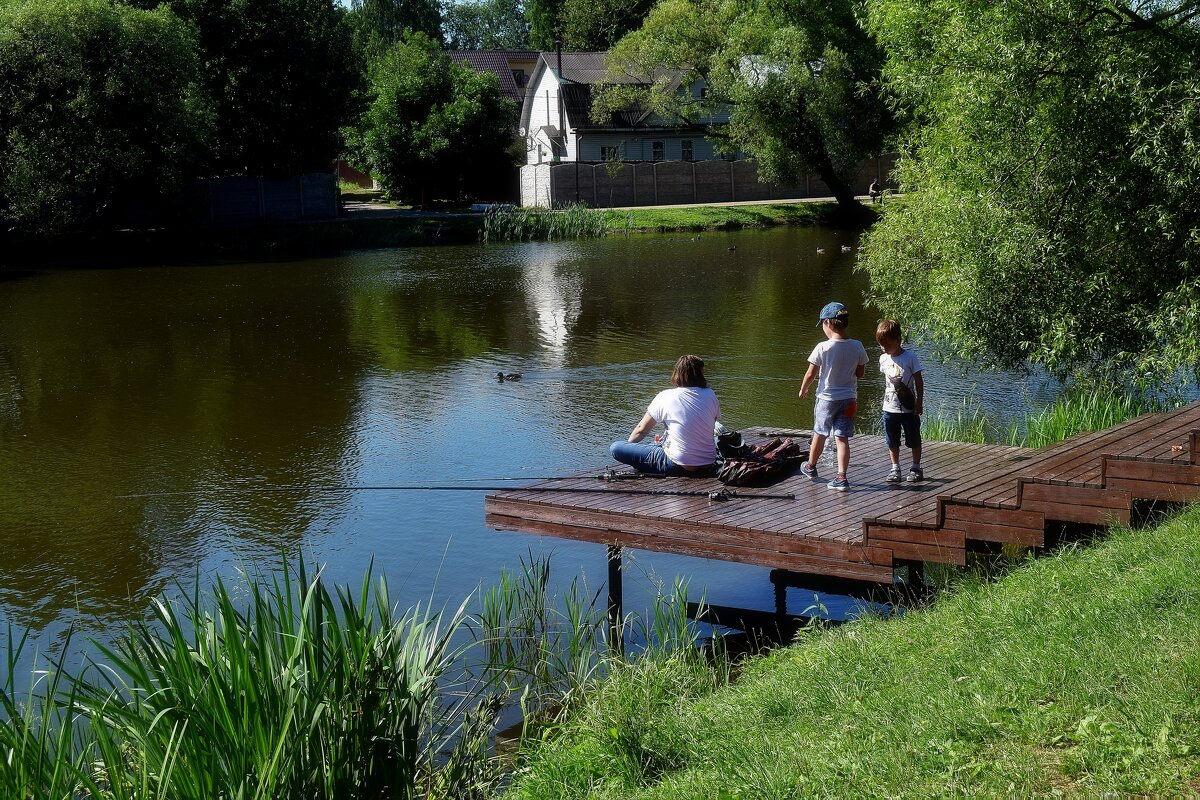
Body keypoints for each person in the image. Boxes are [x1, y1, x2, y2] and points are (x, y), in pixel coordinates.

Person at [609, 354, 720, 476]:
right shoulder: (710, 394)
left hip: (677, 465)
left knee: (616, 447)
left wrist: (628, 447)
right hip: (708, 463)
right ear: (700, 374)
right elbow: (709, 426)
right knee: (657, 443)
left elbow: (641, 430)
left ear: (678, 373)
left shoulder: (666, 396)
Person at [798, 302, 869, 491]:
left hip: (826, 399)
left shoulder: (823, 347)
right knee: (842, 438)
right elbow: (860, 374)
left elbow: (810, 374)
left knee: (819, 433)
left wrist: (804, 388)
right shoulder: (857, 346)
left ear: (828, 323)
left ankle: (811, 467)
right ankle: (841, 477)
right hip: (849, 400)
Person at [876, 319, 924, 482]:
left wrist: (919, 402)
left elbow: (918, 380)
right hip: (889, 408)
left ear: (898, 340)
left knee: (913, 437)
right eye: (881, 345)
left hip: (909, 408)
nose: (884, 348)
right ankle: (895, 468)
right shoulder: (883, 359)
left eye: (887, 344)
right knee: (892, 439)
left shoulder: (910, 357)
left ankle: (916, 467)